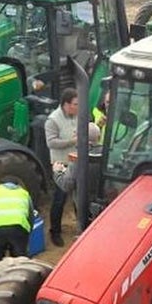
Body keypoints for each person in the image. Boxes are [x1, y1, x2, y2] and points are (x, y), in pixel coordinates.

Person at [45, 88, 100, 246]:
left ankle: (82, 228)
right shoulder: (53, 120)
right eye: (76, 104)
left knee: (80, 197)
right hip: (61, 162)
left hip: (78, 160)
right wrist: (74, 141)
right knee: (60, 199)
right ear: (66, 104)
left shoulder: (79, 115)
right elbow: (51, 142)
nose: (78, 107)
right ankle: (55, 232)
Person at [0, 180, 33, 262]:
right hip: (18, 227)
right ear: (18, 185)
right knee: (20, 260)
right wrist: (27, 231)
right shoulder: (24, 193)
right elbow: (30, 216)